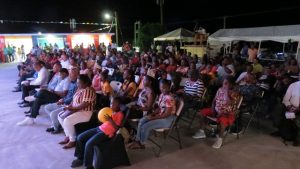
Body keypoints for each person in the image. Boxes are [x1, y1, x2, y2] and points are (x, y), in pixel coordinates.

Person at [70, 97, 124, 169]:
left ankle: (88, 165)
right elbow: (104, 121)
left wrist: (111, 120)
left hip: (106, 133)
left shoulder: (120, 114)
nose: (111, 105)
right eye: (111, 103)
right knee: (80, 137)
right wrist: (102, 119)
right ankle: (80, 158)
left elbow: (117, 128)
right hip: (99, 128)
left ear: (119, 105)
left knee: (89, 144)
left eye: (114, 104)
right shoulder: (110, 111)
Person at [128, 79, 176, 149]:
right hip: (161, 115)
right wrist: (152, 114)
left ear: (169, 87)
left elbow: (167, 114)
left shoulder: (170, 98)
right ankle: (137, 141)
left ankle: (142, 144)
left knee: (146, 126)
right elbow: (160, 108)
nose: (163, 89)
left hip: (167, 119)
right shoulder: (162, 95)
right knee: (142, 120)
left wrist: (154, 117)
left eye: (165, 88)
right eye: (161, 87)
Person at [192, 76, 239, 149]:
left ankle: (220, 139)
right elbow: (214, 100)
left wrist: (221, 112)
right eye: (224, 82)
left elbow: (230, 106)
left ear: (231, 85)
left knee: (223, 121)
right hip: (217, 109)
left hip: (227, 113)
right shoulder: (220, 89)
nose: (224, 84)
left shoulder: (233, 93)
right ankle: (202, 131)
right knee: (202, 112)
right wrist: (213, 109)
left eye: (226, 83)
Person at [58, 74, 96, 149]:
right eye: (77, 82)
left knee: (67, 120)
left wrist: (73, 109)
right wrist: (70, 106)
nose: (77, 84)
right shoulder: (80, 89)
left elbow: (85, 104)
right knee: (60, 116)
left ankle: (72, 141)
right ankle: (68, 136)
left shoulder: (89, 90)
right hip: (77, 110)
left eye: (79, 83)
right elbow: (74, 100)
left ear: (85, 83)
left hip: (85, 112)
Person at [44, 67, 79, 134]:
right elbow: (67, 94)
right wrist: (62, 99)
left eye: (72, 74)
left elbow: (73, 98)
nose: (70, 76)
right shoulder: (71, 82)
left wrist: (63, 101)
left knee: (53, 114)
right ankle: (57, 123)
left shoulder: (78, 84)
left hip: (69, 104)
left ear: (77, 75)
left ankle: (56, 128)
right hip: (64, 101)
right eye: (70, 74)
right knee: (47, 107)